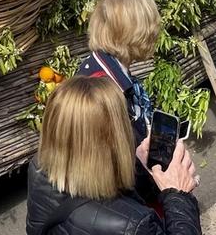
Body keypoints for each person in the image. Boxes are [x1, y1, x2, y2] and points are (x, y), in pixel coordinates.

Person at [26, 75, 201, 235]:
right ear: (115, 137)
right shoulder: (134, 225)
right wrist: (179, 196)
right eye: (126, 119)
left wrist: (137, 167)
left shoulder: (38, 167)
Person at [77, 0, 162, 207]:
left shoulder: (102, 68)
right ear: (135, 33)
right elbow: (110, 166)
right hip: (125, 202)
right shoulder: (103, 92)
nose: (156, 33)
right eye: (151, 27)